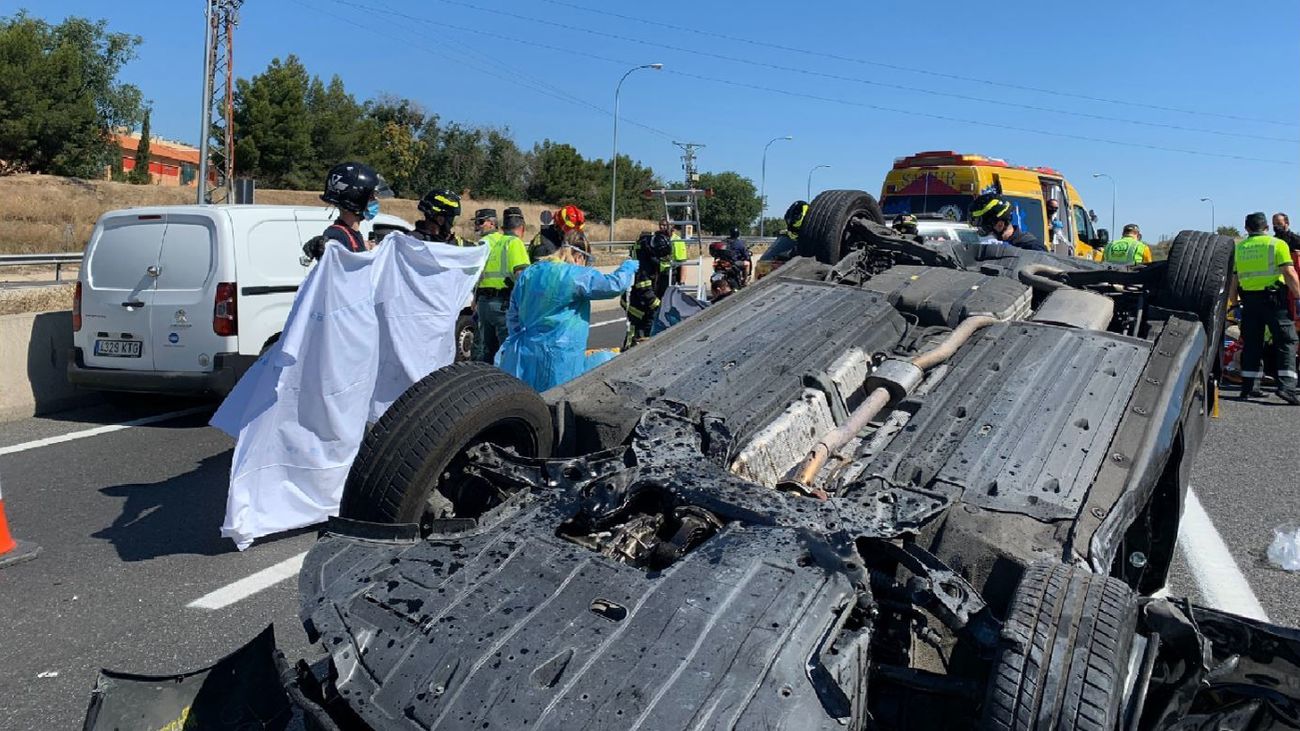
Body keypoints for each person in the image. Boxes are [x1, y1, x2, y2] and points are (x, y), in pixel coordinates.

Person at [496, 235, 638, 392]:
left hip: (526, 352)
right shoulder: (573, 274)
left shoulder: (529, 273)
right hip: (560, 355)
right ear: (578, 256)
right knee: (558, 401)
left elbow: (513, 314)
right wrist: (629, 266)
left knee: (530, 402)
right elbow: (614, 285)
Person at [1230, 211, 1300, 404]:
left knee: (1252, 344)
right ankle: (1287, 387)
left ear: (1247, 228)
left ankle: (1249, 387)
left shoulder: (1239, 248)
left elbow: (1233, 279)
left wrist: (1234, 304)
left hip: (1249, 303)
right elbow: (1289, 272)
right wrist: (1299, 297)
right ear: (1267, 228)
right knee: (1286, 341)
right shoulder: (1277, 244)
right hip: (1274, 301)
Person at [473, 207, 531, 363]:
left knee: (487, 350)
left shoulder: (493, 243)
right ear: (522, 227)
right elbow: (522, 278)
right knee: (507, 352)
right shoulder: (514, 243)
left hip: (484, 304)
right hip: (503, 306)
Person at [302, 161, 386, 260]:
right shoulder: (337, 237)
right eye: (371, 197)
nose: (376, 201)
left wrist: (367, 250)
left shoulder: (352, 233)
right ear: (356, 198)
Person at [623, 226, 674, 348]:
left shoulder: (646, 244)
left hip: (641, 299)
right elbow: (644, 290)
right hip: (635, 303)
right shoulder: (643, 266)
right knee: (637, 330)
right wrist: (659, 305)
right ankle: (628, 350)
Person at [968, 192, 1042, 251]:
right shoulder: (989, 249)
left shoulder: (1032, 248)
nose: (981, 233)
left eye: (984, 228)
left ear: (1000, 224)